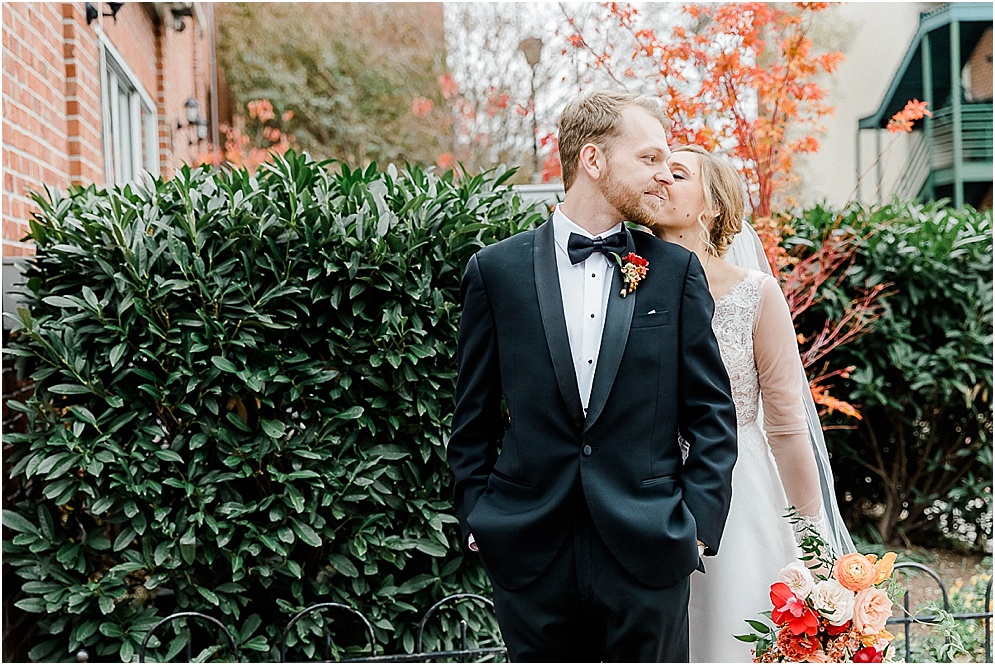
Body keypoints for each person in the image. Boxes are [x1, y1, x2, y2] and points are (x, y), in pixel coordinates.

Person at [447, 90, 739, 662]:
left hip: (648, 548)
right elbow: (472, 416)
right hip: (531, 551)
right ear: (594, 161)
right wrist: (479, 518)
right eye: (649, 158)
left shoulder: (675, 272)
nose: (664, 175)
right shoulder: (495, 272)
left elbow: (712, 414)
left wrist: (696, 529)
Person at [645, 144, 854, 662]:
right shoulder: (629, 287)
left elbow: (786, 426)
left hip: (741, 496)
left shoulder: (754, 295)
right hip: (649, 491)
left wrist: (814, 539)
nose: (661, 181)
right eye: (656, 171)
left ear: (712, 204)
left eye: (677, 173)